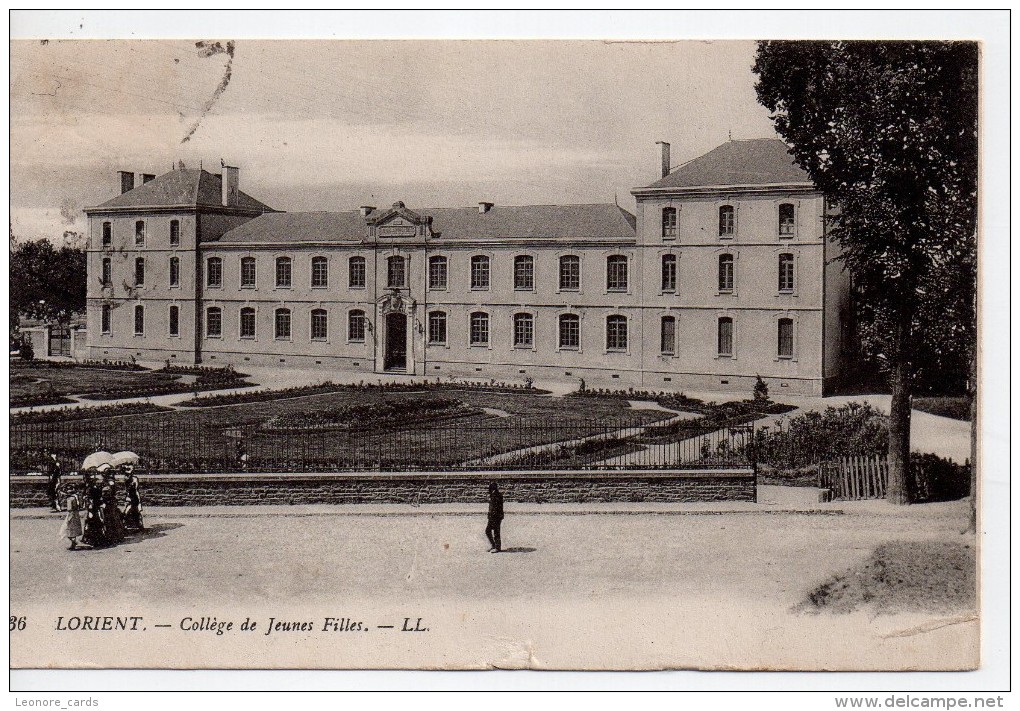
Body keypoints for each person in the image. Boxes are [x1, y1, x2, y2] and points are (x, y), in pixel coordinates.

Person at [81, 474, 107, 548]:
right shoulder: (93, 489)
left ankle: (94, 540)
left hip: (94, 508)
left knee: (94, 523)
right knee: (94, 523)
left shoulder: (92, 489)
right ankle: (95, 539)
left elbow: (92, 499)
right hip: (94, 508)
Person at [59, 484, 84, 550]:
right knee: (74, 530)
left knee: (66, 529)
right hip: (76, 513)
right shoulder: (75, 498)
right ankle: (74, 542)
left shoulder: (70, 499)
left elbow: (70, 509)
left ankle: (73, 542)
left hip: (71, 514)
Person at [123, 468, 145, 532]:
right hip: (129, 497)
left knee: (136, 510)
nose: (128, 475)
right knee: (127, 511)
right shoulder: (126, 479)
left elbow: (136, 489)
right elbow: (127, 489)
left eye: (130, 474)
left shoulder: (135, 479)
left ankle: (138, 524)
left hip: (134, 497)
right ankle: (127, 525)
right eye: (127, 474)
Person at [485, 481, 504, 553]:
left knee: (496, 532)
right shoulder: (494, 495)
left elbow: (495, 508)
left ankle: (497, 547)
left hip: (496, 516)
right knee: (488, 531)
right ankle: (493, 545)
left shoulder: (496, 496)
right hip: (492, 516)